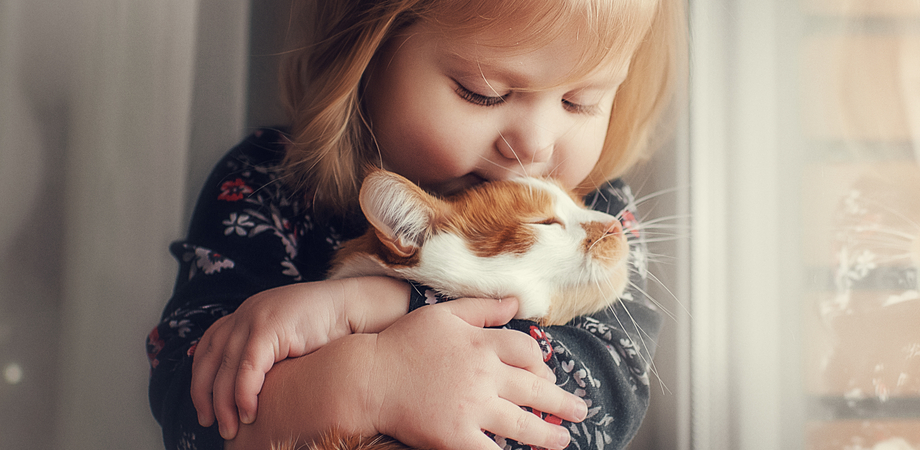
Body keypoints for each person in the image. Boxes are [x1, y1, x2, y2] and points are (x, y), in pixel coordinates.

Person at [146, 0, 684, 449]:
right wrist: (369, 381)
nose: (537, 145)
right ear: (369, 50)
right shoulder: (268, 183)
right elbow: (188, 404)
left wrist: (372, 305)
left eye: (579, 101)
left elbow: (608, 394)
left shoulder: (597, 213)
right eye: (484, 92)